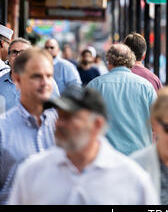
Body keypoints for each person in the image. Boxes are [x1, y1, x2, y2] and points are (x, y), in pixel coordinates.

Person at [8, 85, 158, 205]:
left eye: (68, 117)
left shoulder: (132, 179)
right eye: (59, 116)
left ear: (97, 124)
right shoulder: (32, 171)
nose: (59, 123)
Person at [0, 48, 57, 204]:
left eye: (49, 76)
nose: (45, 82)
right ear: (17, 80)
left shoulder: (64, 127)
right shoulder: (2, 130)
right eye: (37, 76)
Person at [87, 43, 157, 155]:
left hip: (106, 155)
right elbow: (156, 123)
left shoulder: (95, 85)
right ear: (131, 61)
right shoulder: (146, 86)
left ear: (109, 61)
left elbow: (86, 122)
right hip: (140, 155)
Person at [0, 38, 59, 113]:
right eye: (14, 52)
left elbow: (55, 113)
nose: (18, 56)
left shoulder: (46, 83)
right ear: (8, 56)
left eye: (23, 52)